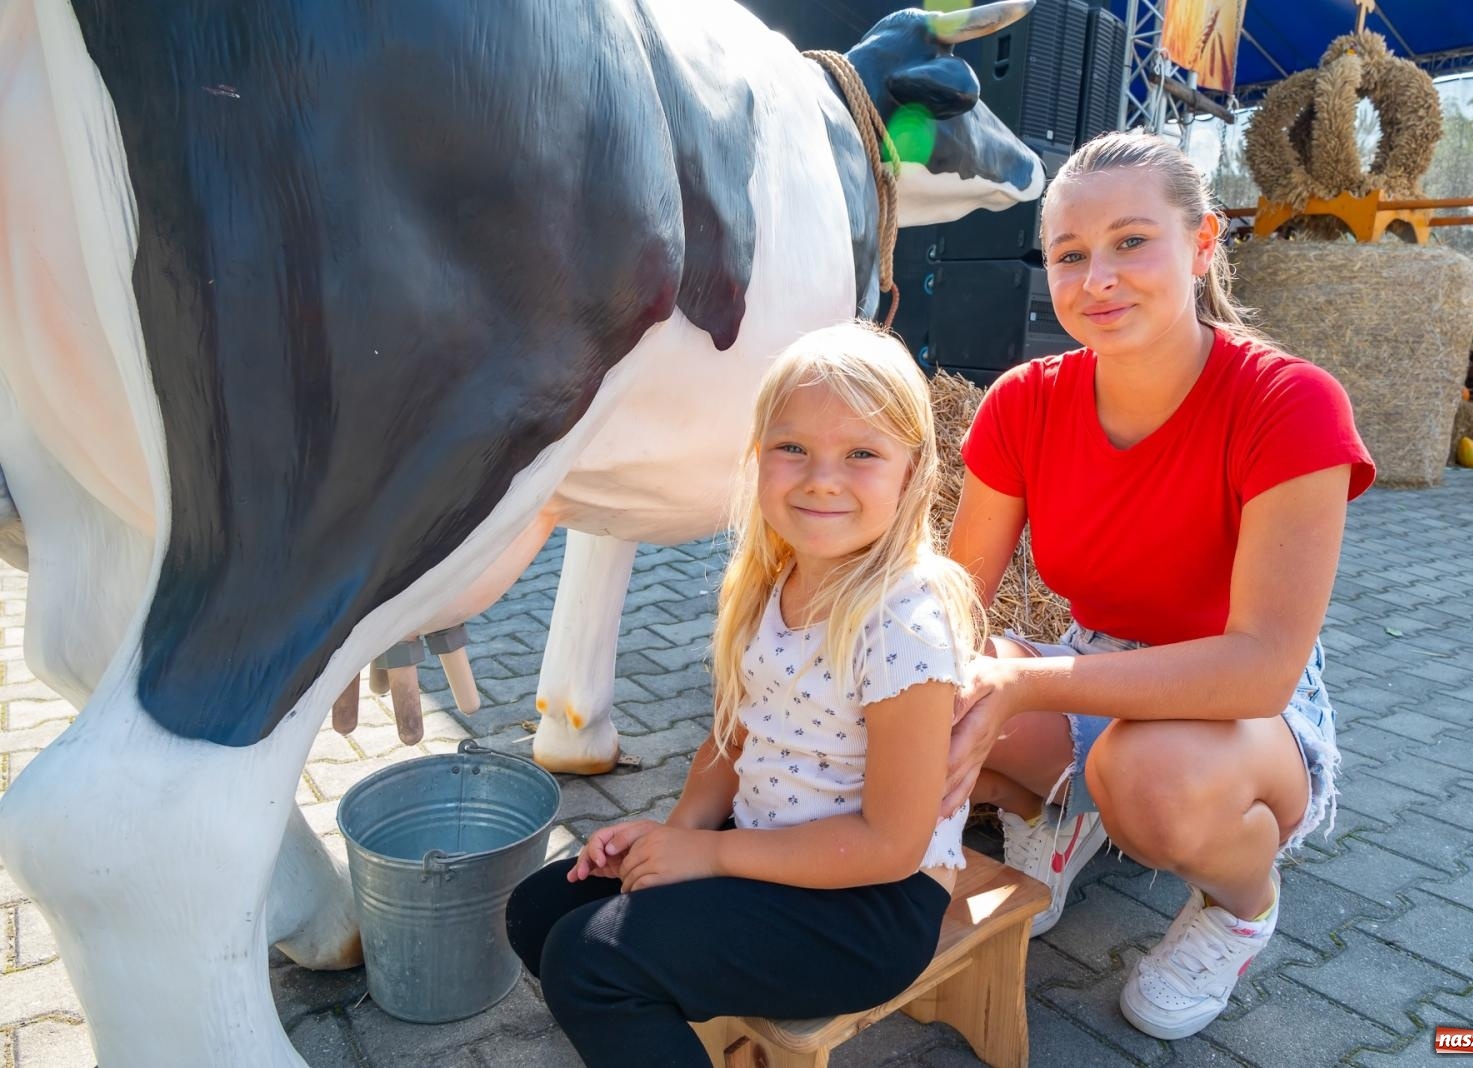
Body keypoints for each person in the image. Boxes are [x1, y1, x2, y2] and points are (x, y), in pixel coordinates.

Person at [941, 130, 1375, 1042]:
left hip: (1247, 707)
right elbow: (953, 603)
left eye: (1131, 242)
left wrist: (1020, 681)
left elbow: (1257, 668)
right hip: (1097, 664)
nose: (1097, 277)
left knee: (1148, 776)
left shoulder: (1290, 404)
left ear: (1204, 243)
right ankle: (1059, 820)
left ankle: (1240, 906)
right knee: (937, 683)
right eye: (1069, 254)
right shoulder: (1022, 401)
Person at [505, 321, 985, 1067]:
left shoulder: (903, 625)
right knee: (538, 912)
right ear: (757, 459)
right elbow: (734, 736)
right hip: (767, 849)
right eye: (793, 448)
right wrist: (671, 837)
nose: (822, 477)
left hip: (870, 907)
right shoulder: (773, 581)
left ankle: (654, 997)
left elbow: (891, 846)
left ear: (912, 472)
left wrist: (710, 857)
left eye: (861, 453)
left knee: (589, 962)